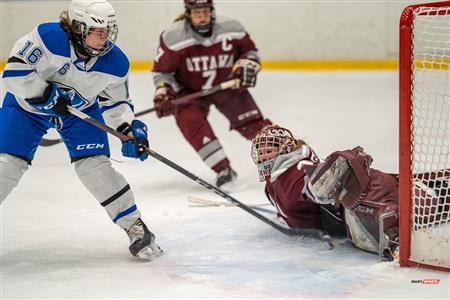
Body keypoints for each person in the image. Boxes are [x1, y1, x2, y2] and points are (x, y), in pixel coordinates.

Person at [0, 0, 162, 261]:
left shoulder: (115, 62)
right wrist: (44, 94)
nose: (105, 37)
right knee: (6, 166)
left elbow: (116, 103)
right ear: (77, 27)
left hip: (79, 113)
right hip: (26, 109)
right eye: (98, 31)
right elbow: (13, 74)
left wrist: (128, 129)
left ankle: (135, 226)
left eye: (108, 30)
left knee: (95, 167)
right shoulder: (47, 38)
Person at [151, 0, 272, 190]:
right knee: (191, 122)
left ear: (212, 12)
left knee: (254, 125)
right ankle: (223, 170)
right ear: (188, 13)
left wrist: (247, 64)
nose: (201, 16)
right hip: (189, 92)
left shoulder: (232, 28)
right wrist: (164, 90)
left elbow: (250, 52)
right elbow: (162, 72)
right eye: (197, 12)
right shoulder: (174, 36)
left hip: (226, 85)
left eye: (205, 12)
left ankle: (282, 159)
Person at [250, 125, 401, 261]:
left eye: (268, 151)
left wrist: (321, 185)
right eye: (260, 152)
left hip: (363, 204)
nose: (263, 156)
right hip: (340, 222)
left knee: (370, 204)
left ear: (286, 149)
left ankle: (396, 239)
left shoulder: (298, 168)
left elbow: (314, 188)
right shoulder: (274, 180)